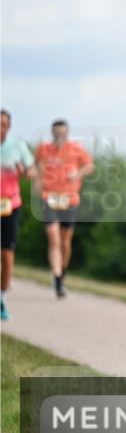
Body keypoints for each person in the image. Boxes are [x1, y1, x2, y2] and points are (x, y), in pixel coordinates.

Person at [34, 119, 93, 298]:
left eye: (63, 133)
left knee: (65, 240)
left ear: (67, 133)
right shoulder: (43, 149)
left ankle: (62, 274)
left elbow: (89, 166)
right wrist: (37, 185)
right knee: (53, 238)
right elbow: (37, 167)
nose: (60, 136)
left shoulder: (76, 149)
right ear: (52, 133)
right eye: (56, 133)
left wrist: (78, 173)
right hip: (49, 197)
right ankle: (57, 275)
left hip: (69, 198)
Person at [0, 109, 36, 320]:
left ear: (9, 127)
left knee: (6, 254)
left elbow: (32, 172)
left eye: (3, 124)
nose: (0, 127)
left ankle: (2, 297)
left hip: (10, 205)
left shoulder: (18, 147)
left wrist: (25, 171)